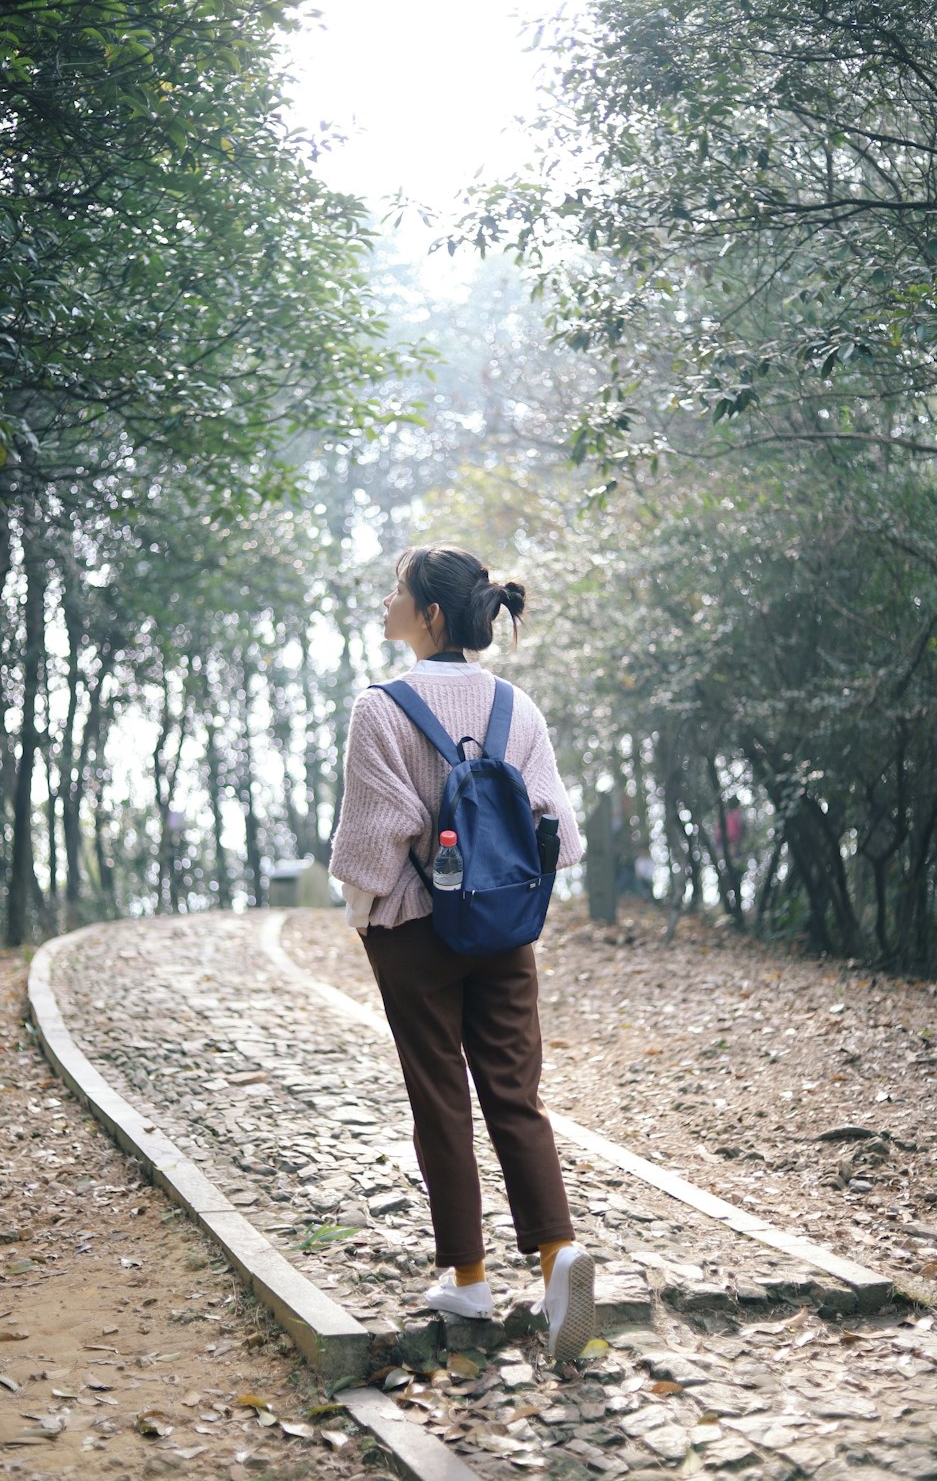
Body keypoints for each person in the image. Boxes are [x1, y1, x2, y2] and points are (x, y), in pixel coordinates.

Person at [329, 544, 595, 1363]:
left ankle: (468, 1276)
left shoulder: (382, 708)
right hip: (506, 930)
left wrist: (366, 915)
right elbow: (560, 830)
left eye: (397, 592)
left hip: (416, 932)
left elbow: (375, 842)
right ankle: (558, 1257)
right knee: (517, 1094)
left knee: (440, 1096)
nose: (386, 602)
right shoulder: (518, 706)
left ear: (431, 615)